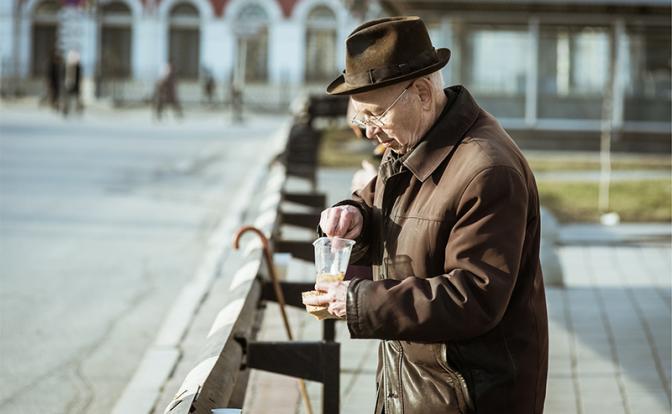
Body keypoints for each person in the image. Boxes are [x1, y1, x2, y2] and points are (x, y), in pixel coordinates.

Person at [302, 16, 548, 414]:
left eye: (375, 115)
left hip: (468, 396)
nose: (368, 132)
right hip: (417, 387)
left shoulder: (487, 170)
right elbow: (381, 198)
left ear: (421, 92)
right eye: (361, 118)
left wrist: (359, 301)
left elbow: (474, 297)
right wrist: (355, 213)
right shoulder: (410, 141)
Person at [62, 50, 83, 116]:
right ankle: (66, 109)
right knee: (69, 97)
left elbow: (79, 77)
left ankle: (77, 109)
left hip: (74, 84)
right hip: (70, 83)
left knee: (76, 97)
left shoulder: (77, 67)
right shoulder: (69, 66)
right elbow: (67, 75)